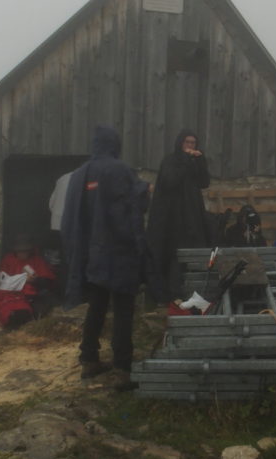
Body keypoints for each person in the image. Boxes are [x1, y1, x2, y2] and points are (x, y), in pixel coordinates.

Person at [62, 125, 147, 388]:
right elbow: (133, 207)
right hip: (117, 251)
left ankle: (89, 360)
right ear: (115, 144)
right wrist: (145, 190)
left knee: (96, 306)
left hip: (90, 254)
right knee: (123, 310)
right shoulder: (120, 170)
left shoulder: (77, 175)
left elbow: (70, 219)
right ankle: (122, 368)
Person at [146, 129, 211, 303]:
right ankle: (171, 292)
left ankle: (194, 291)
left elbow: (204, 182)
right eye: (187, 142)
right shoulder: (171, 161)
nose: (190, 146)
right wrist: (185, 161)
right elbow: (169, 181)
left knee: (194, 247)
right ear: (180, 143)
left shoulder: (195, 161)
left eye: (193, 143)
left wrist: (200, 161)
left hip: (193, 213)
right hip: (173, 215)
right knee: (175, 251)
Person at [0, 234, 57, 328]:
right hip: (10, 293)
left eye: (25, 251)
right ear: (15, 251)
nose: (23, 254)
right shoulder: (8, 259)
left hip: (31, 294)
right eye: (20, 251)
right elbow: (2, 279)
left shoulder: (37, 260)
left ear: (30, 250)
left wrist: (35, 280)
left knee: (42, 303)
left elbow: (49, 282)